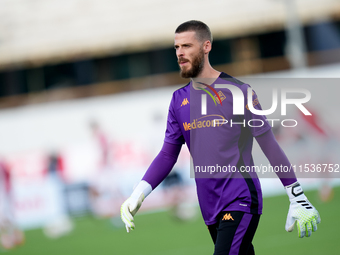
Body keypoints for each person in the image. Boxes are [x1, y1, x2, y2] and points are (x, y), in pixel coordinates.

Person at [120, 20, 321, 254]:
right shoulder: (178, 100)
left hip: (240, 197)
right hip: (209, 205)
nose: (180, 53)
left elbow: (268, 144)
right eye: (176, 47)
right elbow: (167, 154)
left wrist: (296, 194)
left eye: (187, 46)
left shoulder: (239, 92)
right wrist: (138, 194)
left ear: (206, 46)